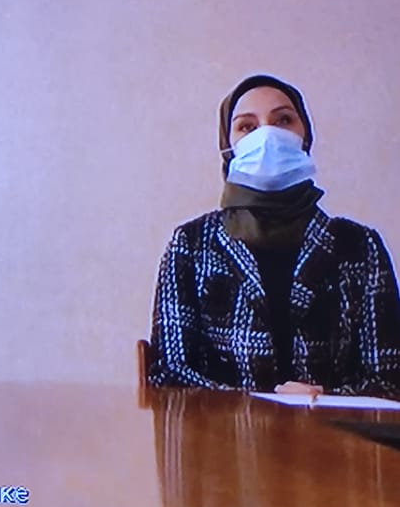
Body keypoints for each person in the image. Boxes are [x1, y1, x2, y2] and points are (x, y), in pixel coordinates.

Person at [149, 73, 400, 397]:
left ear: (305, 136)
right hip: (223, 430)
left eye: (283, 120)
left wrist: (324, 399)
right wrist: (258, 409)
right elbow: (171, 375)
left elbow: (390, 380)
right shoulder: (191, 245)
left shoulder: (360, 247)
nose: (267, 136)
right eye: (247, 127)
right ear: (228, 147)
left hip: (329, 428)